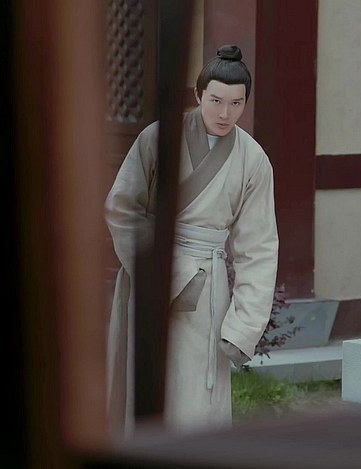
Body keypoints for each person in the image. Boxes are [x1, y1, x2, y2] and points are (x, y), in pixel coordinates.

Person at [105, 44, 279, 436]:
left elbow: (259, 248)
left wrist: (244, 325)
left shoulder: (253, 159)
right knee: (142, 396)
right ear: (198, 94)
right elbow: (121, 208)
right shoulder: (156, 138)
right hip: (148, 282)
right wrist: (167, 273)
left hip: (208, 294)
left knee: (195, 404)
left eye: (236, 103)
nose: (225, 113)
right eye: (216, 100)